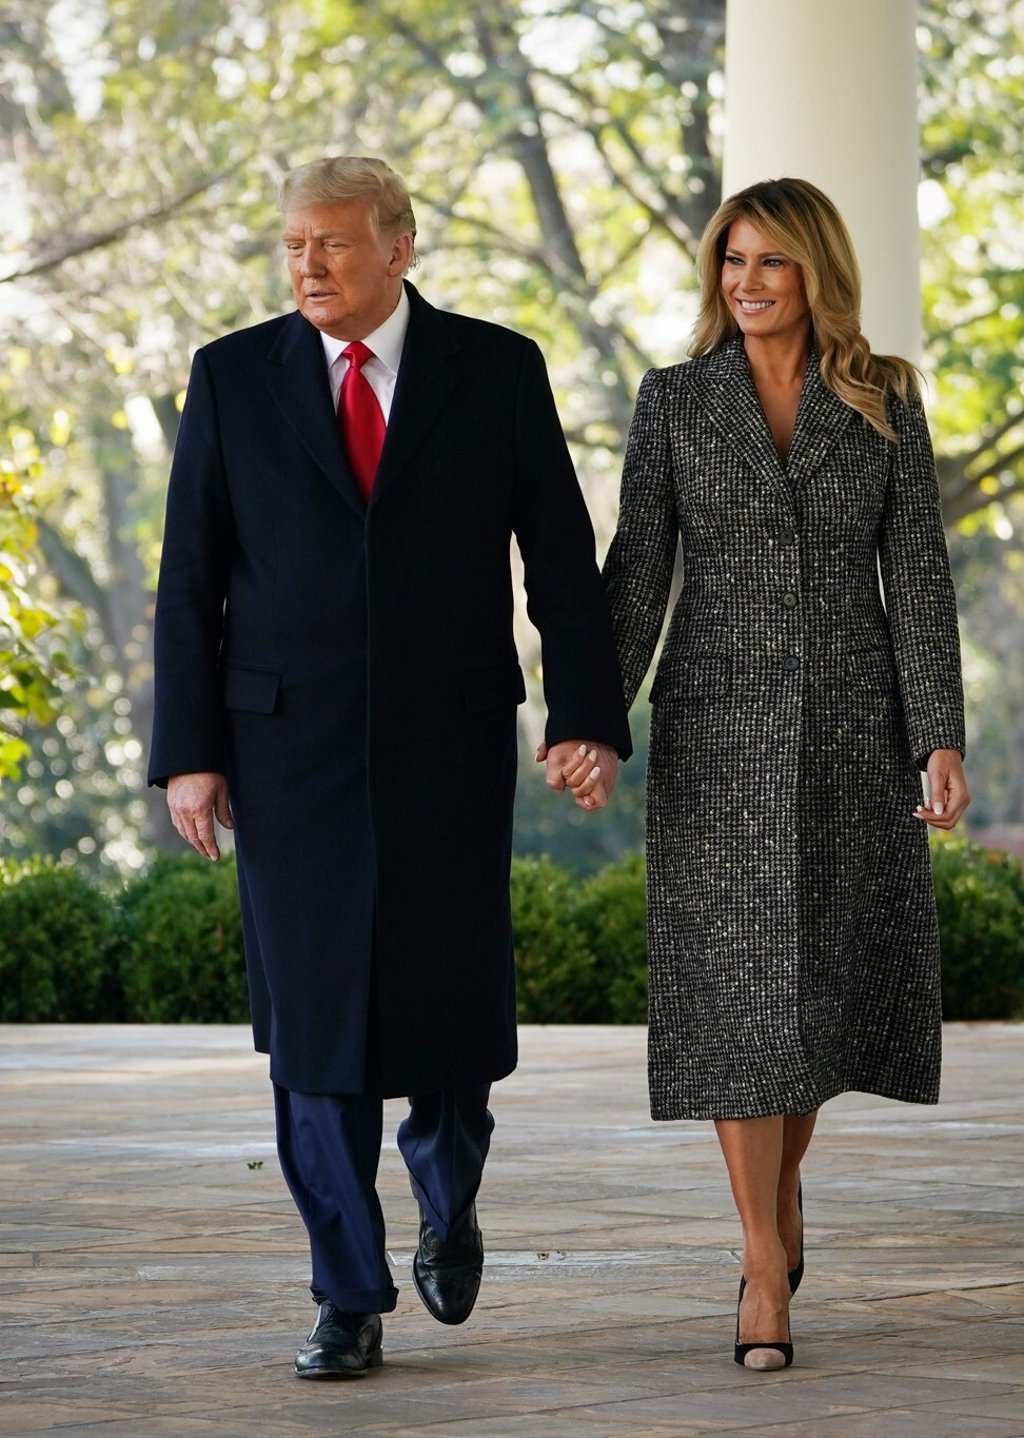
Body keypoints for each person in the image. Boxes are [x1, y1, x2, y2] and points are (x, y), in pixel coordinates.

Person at [148, 155, 630, 1378]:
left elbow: (562, 565)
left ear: (399, 246)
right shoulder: (231, 376)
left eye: (334, 244)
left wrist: (586, 715)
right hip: (285, 751)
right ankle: (346, 1293)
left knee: (451, 1013)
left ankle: (447, 1189)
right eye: (295, 244)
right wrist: (189, 754)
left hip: (449, 744)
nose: (307, 264)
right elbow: (188, 578)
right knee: (312, 1031)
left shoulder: (498, 369)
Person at [587, 177, 969, 1371]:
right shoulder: (675, 403)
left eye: (771, 264)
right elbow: (636, 570)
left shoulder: (882, 398)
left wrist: (938, 734)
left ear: (815, 274)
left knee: (823, 988)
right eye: (731, 262)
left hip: (856, 730)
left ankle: (777, 1199)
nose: (746, 284)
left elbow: (917, 576)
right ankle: (763, 1257)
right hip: (715, 735)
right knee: (737, 997)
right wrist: (593, 718)